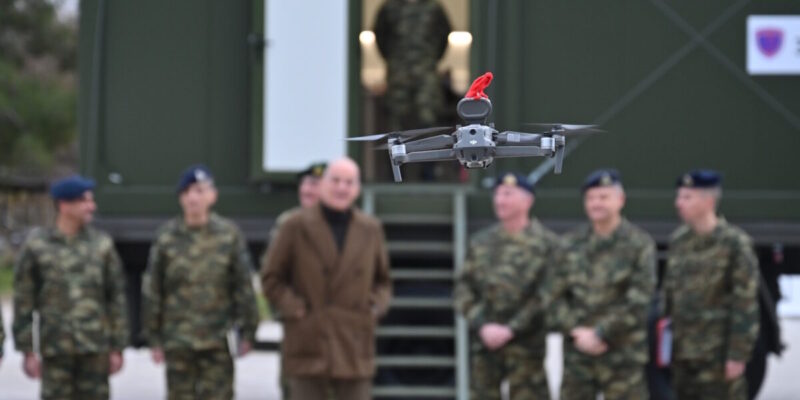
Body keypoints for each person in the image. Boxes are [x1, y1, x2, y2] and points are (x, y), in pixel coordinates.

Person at [261, 157, 392, 400]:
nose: (342, 188)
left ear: (357, 189)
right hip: (309, 342)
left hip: (354, 343)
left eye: (349, 182)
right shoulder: (295, 225)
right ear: (323, 185)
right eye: (336, 180)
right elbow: (271, 278)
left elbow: (382, 281)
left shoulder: (370, 229)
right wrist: (295, 308)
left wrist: (374, 307)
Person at [143, 165, 259, 400]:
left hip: (217, 340)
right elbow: (154, 289)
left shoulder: (228, 235)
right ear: (180, 198)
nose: (193, 198)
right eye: (186, 192)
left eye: (199, 191)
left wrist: (249, 331)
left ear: (212, 196)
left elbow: (243, 285)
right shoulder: (166, 237)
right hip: (178, 341)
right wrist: (153, 338)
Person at [12, 175, 128, 400]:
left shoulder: (102, 245)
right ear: (64, 205)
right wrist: (27, 351)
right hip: (55, 350)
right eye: (84, 201)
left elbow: (116, 297)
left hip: (95, 349)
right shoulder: (37, 246)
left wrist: (118, 346)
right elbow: (24, 300)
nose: (92, 206)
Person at [454, 172, 560, 399]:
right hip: (485, 347)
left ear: (527, 201)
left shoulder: (547, 244)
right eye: (498, 194)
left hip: (527, 348)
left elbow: (549, 293)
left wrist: (511, 328)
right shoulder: (481, 242)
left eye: (508, 194)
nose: (500, 200)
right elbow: (463, 289)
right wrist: (483, 325)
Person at [555, 169, 656, 400]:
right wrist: (576, 331)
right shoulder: (570, 243)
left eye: (603, 197)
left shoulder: (639, 244)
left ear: (621, 199)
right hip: (577, 355)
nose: (596, 203)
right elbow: (553, 294)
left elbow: (640, 299)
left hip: (623, 355)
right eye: (591, 198)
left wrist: (600, 333)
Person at [663, 169, 759, 399]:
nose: (678, 203)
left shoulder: (735, 244)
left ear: (708, 201)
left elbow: (745, 304)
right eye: (679, 196)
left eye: (687, 197)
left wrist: (737, 355)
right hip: (684, 359)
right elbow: (669, 298)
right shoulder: (679, 241)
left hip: (718, 358)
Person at [262, 161, 325, 399]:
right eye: (305, 184)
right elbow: (271, 275)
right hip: (298, 326)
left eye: (315, 184)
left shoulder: (346, 224)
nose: (307, 190)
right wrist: (292, 308)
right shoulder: (287, 224)